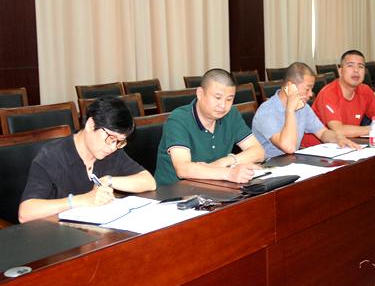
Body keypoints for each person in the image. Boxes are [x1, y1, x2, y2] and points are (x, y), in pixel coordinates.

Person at [19, 96, 156, 223]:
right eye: (111, 138)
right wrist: (80, 200)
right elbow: (25, 213)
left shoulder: (112, 152)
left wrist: (107, 181)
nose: (113, 147)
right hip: (56, 233)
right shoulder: (52, 156)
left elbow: (149, 183)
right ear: (91, 124)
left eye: (119, 142)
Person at [154, 69, 264, 186]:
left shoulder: (231, 115)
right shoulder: (179, 119)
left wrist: (226, 161)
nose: (223, 105)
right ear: (200, 93)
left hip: (214, 186)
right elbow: (182, 169)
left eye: (229, 99)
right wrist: (228, 173)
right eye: (217, 98)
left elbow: (259, 152)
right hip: (175, 191)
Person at [252, 62, 361, 157]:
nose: (310, 94)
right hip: (268, 167)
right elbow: (289, 147)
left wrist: (339, 139)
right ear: (290, 86)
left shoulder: (303, 108)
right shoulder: (266, 111)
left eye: (311, 89)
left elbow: (323, 133)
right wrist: (290, 110)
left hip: (291, 164)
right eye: (307, 89)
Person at [301, 50, 375, 147]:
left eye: (360, 66)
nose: (356, 70)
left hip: (349, 145)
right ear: (340, 71)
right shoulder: (328, 93)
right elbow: (338, 130)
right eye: (350, 66)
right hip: (316, 149)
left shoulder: (365, 90)